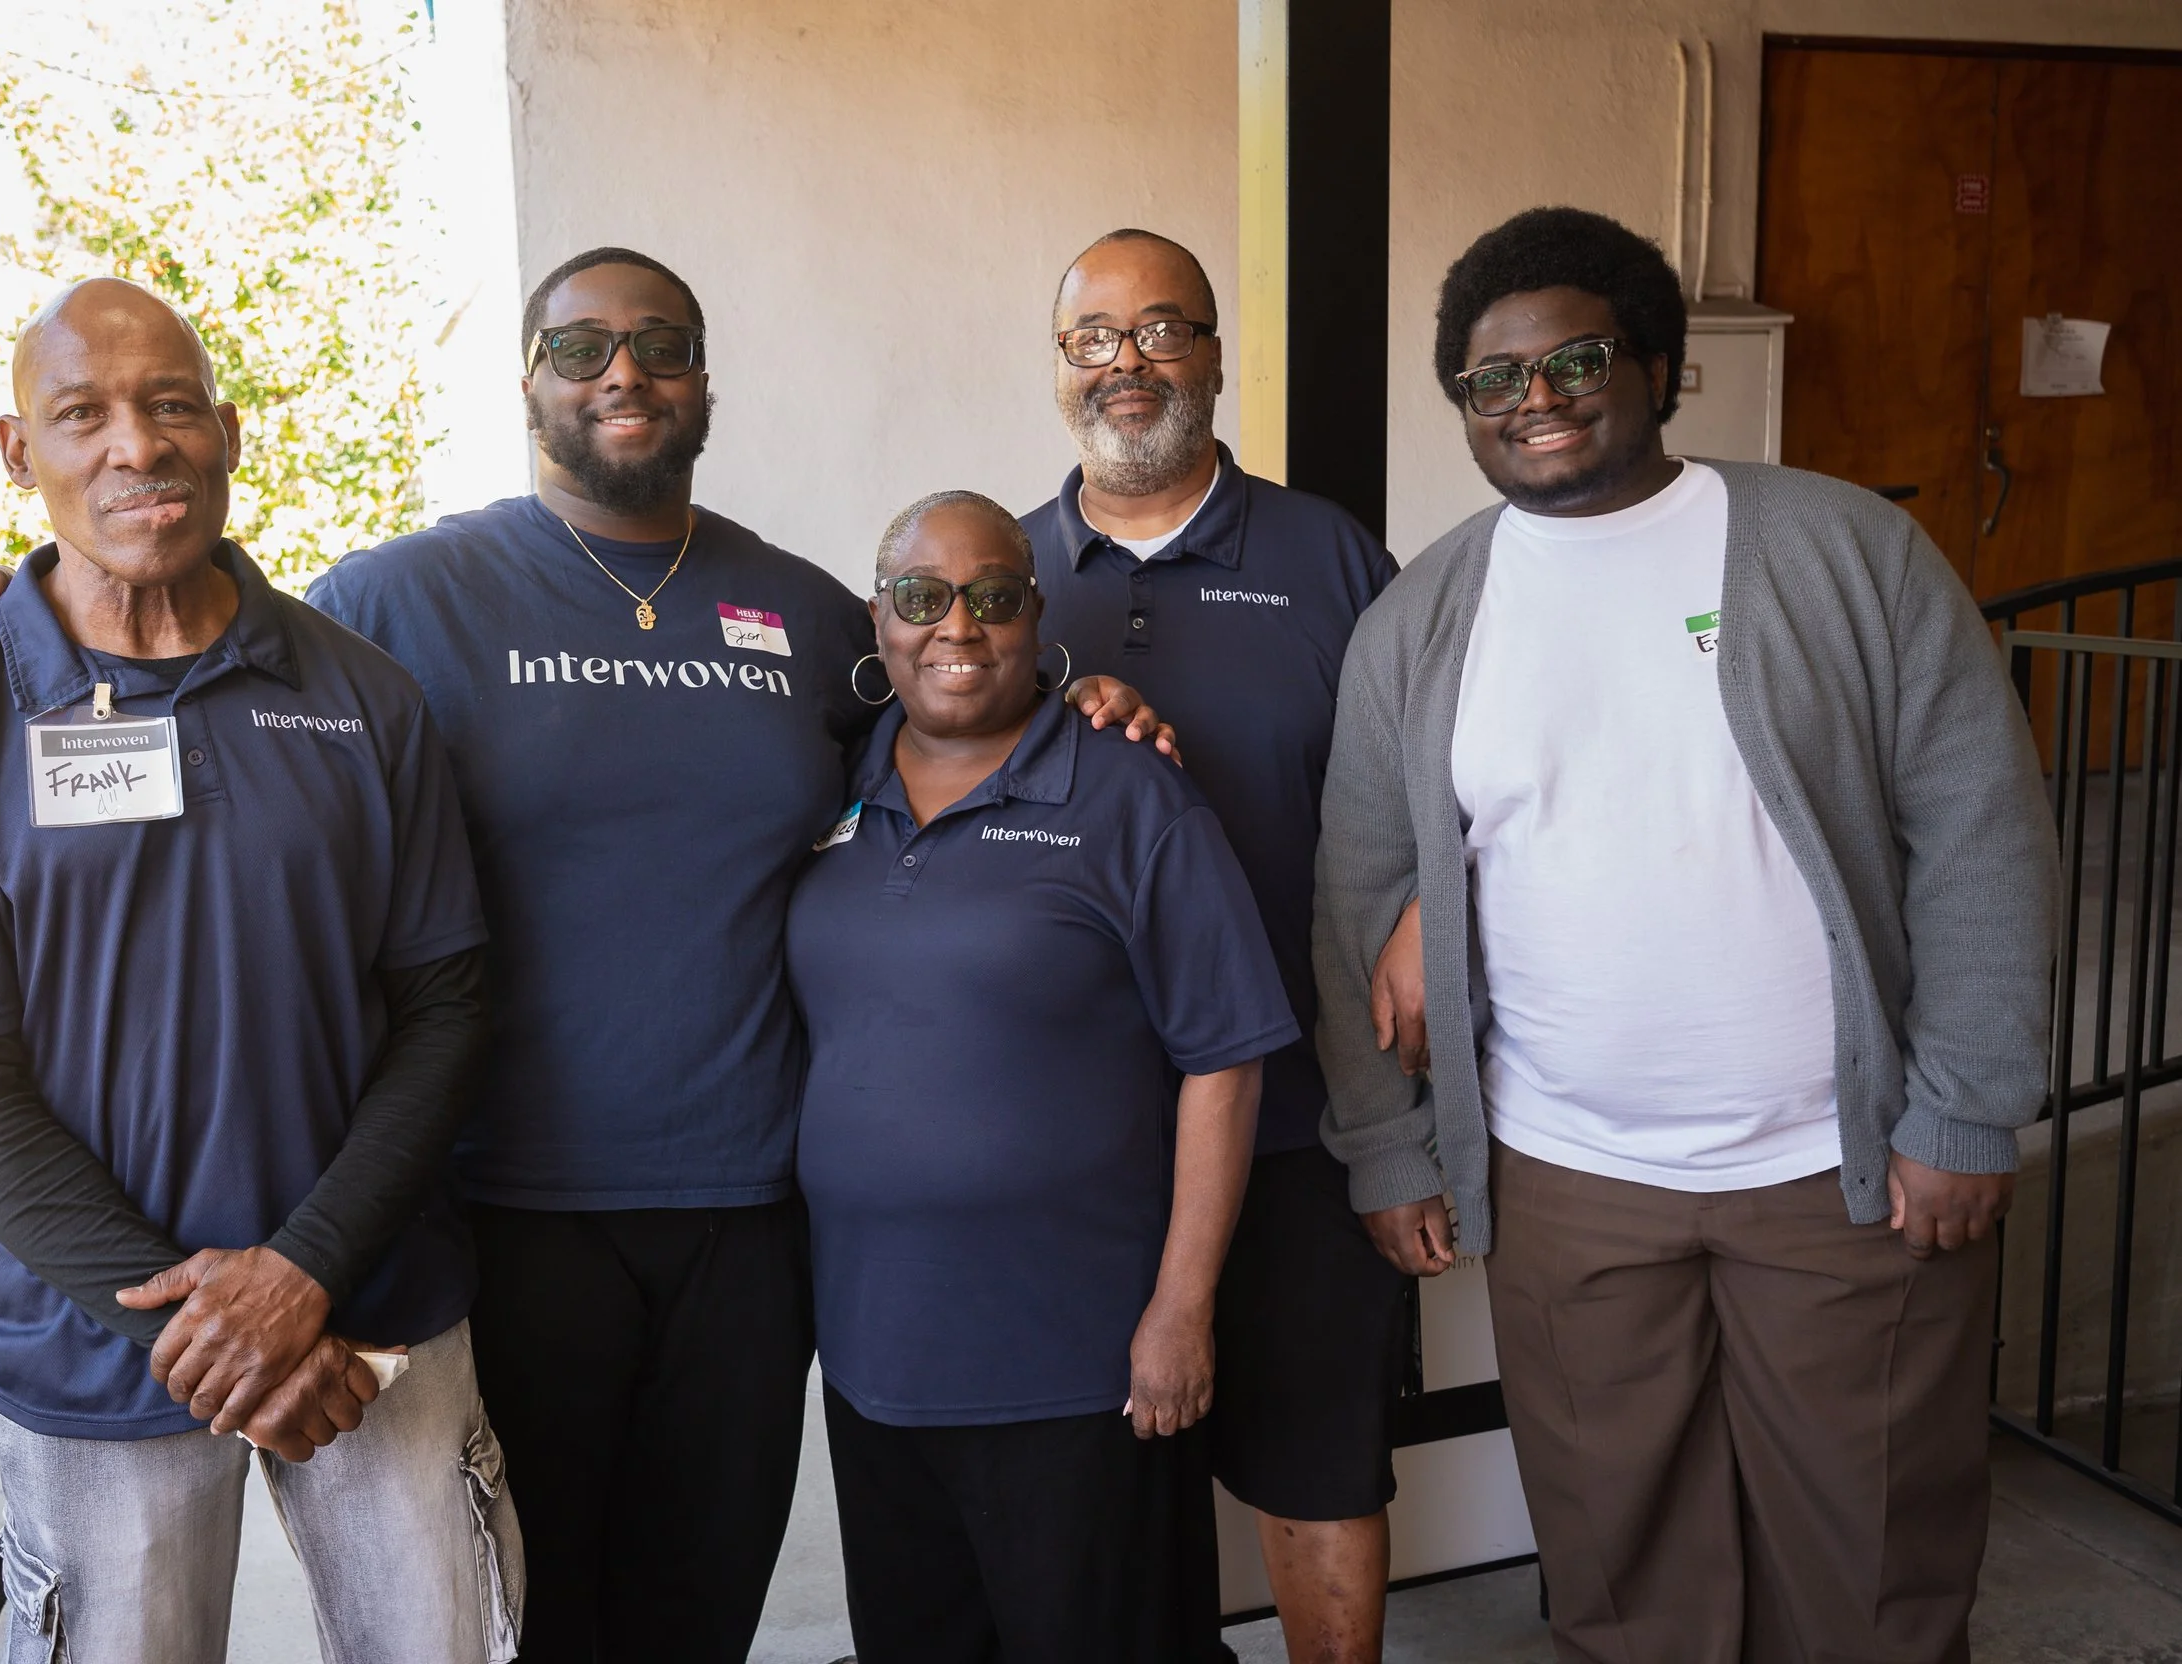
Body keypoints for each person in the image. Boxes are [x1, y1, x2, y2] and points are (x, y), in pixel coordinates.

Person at [0, 248, 1172, 1663]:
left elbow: (947, 715)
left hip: (748, 1210)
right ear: (528, 383)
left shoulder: (802, 614)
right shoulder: (396, 604)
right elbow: (167, 618)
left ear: (703, 382)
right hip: (505, 1213)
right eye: (582, 347)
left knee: (692, 1607)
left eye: (662, 344)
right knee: (527, 1617)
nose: (624, 372)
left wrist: (1079, 693)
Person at [1313, 206, 2057, 1662]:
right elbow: (1357, 891)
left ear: (1657, 365)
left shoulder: (1847, 551)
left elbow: (1981, 831)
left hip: (1838, 1177)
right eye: (1492, 378)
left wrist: (1965, 1111)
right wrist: (1388, 1144)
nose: (1535, 399)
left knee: (1876, 1575)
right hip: (1569, 1183)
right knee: (1621, 1563)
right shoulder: (1422, 619)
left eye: (1574, 359)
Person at [0, 277, 522, 1664]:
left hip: (373, 1323)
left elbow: (445, 1010)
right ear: (18, 455)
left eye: (168, 406)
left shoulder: (361, 696)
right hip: (94, 1353)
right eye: (80, 414)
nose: (133, 447)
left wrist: (304, 1277)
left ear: (228, 432)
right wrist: (204, 1328)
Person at [788, 490, 1297, 1661]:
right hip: (878, 1364)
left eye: (995, 596)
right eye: (921, 597)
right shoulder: (827, 788)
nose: (955, 626)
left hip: (1078, 1365)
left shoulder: (1132, 797)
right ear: (879, 621)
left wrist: (1180, 1311)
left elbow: (1224, 1061)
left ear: (1037, 615)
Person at [1023, 228, 1404, 1663]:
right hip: (1079, 1144)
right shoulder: (1000, 586)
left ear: (1216, 358)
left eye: (1162, 328)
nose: (1128, 362)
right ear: (1060, 366)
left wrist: (1401, 1127)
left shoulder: (1331, 559)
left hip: (1301, 1121)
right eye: (1093, 336)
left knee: (1316, 1462)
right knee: (1106, 1491)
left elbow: (1430, 813)